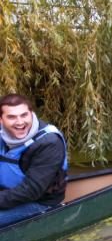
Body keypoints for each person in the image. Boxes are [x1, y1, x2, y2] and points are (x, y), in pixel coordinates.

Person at [0, 94, 68, 226]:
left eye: (24, 115)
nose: (20, 122)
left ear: (31, 114)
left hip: (39, 202)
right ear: (1, 120)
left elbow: (32, 190)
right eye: (11, 117)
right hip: (7, 194)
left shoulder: (49, 142)